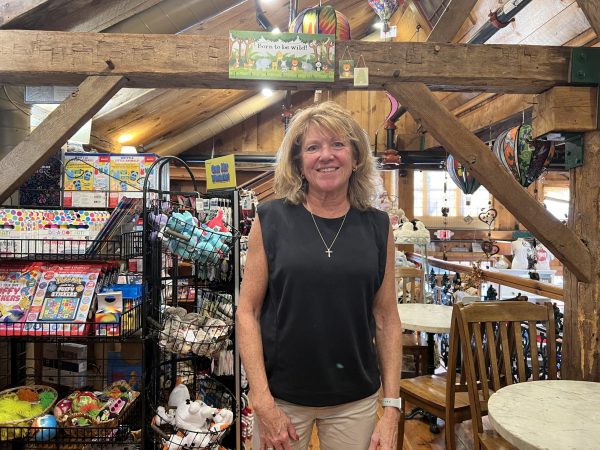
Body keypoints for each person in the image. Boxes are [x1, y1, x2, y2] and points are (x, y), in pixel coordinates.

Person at [236, 101, 402, 450]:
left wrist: (391, 408)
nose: (326, 155)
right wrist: (262, 402)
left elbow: (387, 317)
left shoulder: (377, 226)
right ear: (298, 162)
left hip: (355, 400)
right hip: (280, 399)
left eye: (338, 144)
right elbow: (247, 312)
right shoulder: (270, 219)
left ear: (356, 157)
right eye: (313, 147)